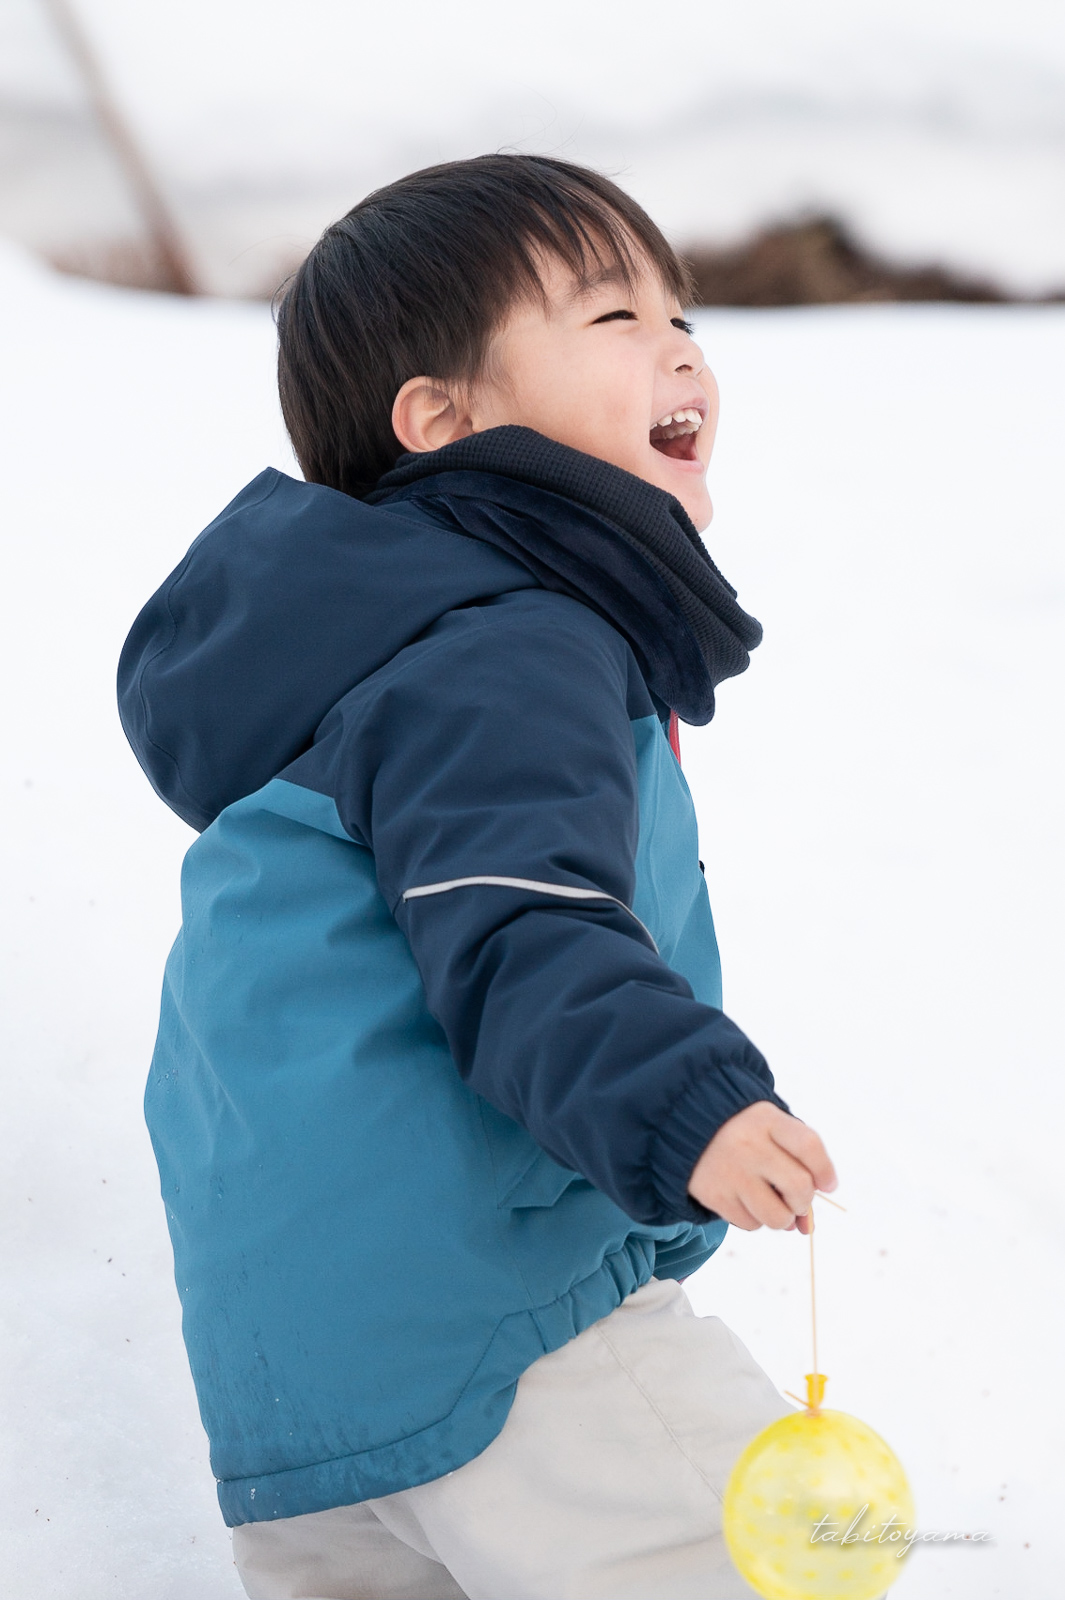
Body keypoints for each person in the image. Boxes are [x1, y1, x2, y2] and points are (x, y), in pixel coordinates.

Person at [118, 154, 837, 1600]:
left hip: (301, 1381)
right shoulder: (505, 643)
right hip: (498, 1322)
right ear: (444, 421)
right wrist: (678, 1101)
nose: (678, 347)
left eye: (680, 312)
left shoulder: (363, 661)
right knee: (772, 1569)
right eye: (612, 317)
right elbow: (519, 921)